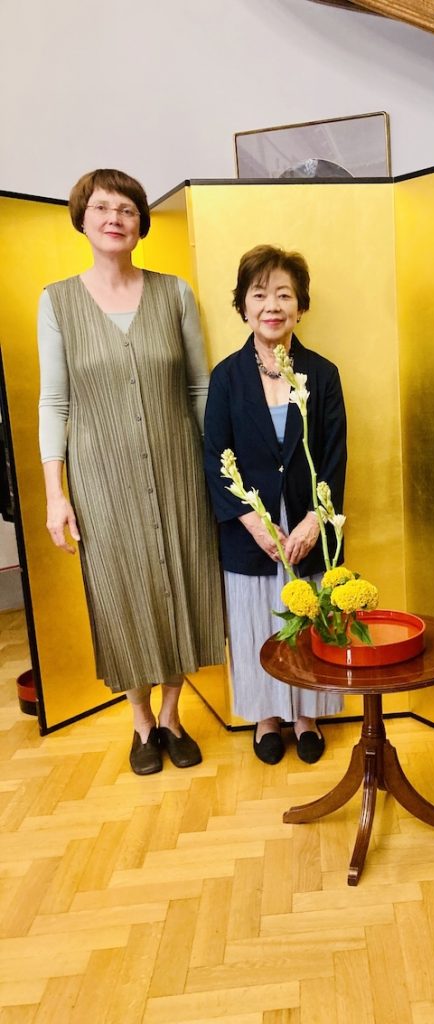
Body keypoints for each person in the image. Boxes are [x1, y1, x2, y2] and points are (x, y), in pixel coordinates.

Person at [38, 168, 225, 775]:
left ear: (141, 222)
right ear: (82, 218)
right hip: (101, 479)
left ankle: (172, 715)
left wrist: (219, 472)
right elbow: (54, 403)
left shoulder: (175, 294)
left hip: (179, 470)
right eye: (101, 207)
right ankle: (141, 720)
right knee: (122, 594)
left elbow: (200, 388)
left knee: (182, 583)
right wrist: (55, 494)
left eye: (126, 208)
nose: (114, 218)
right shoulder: (57, 302)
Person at [204, 245, 347, 765]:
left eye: (284, 295)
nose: (272, 305)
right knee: (256, 622)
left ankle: (307, 715)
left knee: (308, 619)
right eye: (260, 294)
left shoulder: (322, 374)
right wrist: (253, 524)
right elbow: (215, 458)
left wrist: (313, 520)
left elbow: (333, 456)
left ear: (300, 307)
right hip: (251, 530)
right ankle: (266, 716)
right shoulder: (227, 377)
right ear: (243, 306)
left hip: (308, 524)